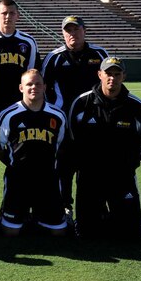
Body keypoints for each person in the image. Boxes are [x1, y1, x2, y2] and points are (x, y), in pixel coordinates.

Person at [67, 57, 141, 240]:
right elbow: (72, 139)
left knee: (132, 236)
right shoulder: (82, 103)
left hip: (121, 175)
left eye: (117, 74)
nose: (112, 78)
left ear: (124, 77)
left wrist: (127, 165)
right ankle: (98, 215)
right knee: (86, 234)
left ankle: (131, 218)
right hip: (90, 176)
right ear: (99, 74)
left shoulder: (137, 108)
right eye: (108, 73)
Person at [0, 0, 39, 223]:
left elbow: (32, 74)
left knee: (22, 157)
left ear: (18, 16)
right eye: (4, 13)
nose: (8, 17)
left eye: (12, 13)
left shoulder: (28, 43)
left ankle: (21, 205)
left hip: (20, 110)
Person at [41, 15, 109, 221]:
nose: (72, 34)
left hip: (93, 122)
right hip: (63, 123)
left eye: (76, 29)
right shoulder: (54, 57)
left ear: (84, 31)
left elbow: (109, 85)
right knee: (63, 167)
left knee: (93, 167)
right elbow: (43, 88)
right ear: (63, 33)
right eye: (68, 30)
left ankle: (95, 206)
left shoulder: (99, 54)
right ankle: (64, 207)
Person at [0, 70, 68, 237]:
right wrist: (14, 164)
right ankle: (8, 213)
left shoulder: (57, 115)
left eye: (37, 84)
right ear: (21, 87)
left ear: (44, 87)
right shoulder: (8, 115)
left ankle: (38, 216)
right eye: (29, 84)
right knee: (10, 232)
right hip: (18, 180)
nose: (33, 87)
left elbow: (61, 144)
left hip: (47, 179)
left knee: (59, 233)